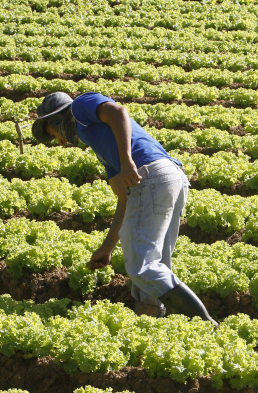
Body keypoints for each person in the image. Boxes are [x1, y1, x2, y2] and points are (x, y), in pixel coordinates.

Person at [32, 91, 217, 325]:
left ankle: (205, 324)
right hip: (169, 178)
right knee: (154, 266)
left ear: (55, 120)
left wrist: (127, 160)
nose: (58, 141)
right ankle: (151, 323)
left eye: (50, 132)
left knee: (142, 267)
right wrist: (107, 247)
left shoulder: (80, 106)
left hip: (151, 175)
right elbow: (125, 199)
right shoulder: (101, 146)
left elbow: (118, 112)